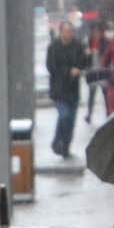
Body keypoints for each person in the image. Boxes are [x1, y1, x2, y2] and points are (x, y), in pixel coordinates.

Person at [45, 20, 89, 159]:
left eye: (70, 32)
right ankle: (57, 141)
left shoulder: (77, 45)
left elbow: (84, 63)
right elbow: (51, 66)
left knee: (71, 120)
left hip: (73, 90)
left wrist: (87, 57)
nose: (68, 34)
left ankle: (65, 147)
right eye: (66, 31)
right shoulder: (54, 46)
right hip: (59, 89)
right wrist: (68, 71)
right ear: (61, 32)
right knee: (64, 116)